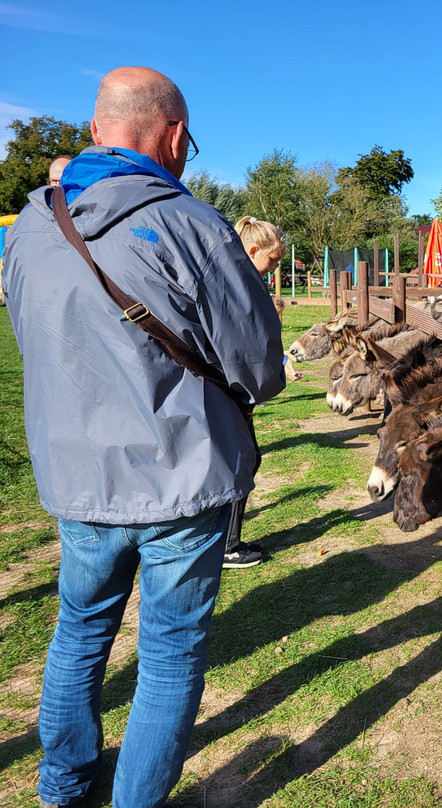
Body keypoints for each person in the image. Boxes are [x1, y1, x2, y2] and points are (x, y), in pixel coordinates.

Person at [1, 67, 285, 808]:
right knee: (168, 654)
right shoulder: (194, 224)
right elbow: (259, 364)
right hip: (181, 476)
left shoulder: (30, 228)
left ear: (97, 130)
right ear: (175, 135)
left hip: (77, 476)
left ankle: (62, 786)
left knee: (78, 631)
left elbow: (32, 336)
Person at [221, 217, 302, 570]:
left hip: (239, 393)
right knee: (243, 460)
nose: (274, 267)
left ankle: (226, 541)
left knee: (247, 458)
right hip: (230, 391)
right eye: (272, 259)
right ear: (253, 250)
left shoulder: (241, 282)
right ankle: (226, 546)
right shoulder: (235, 286)